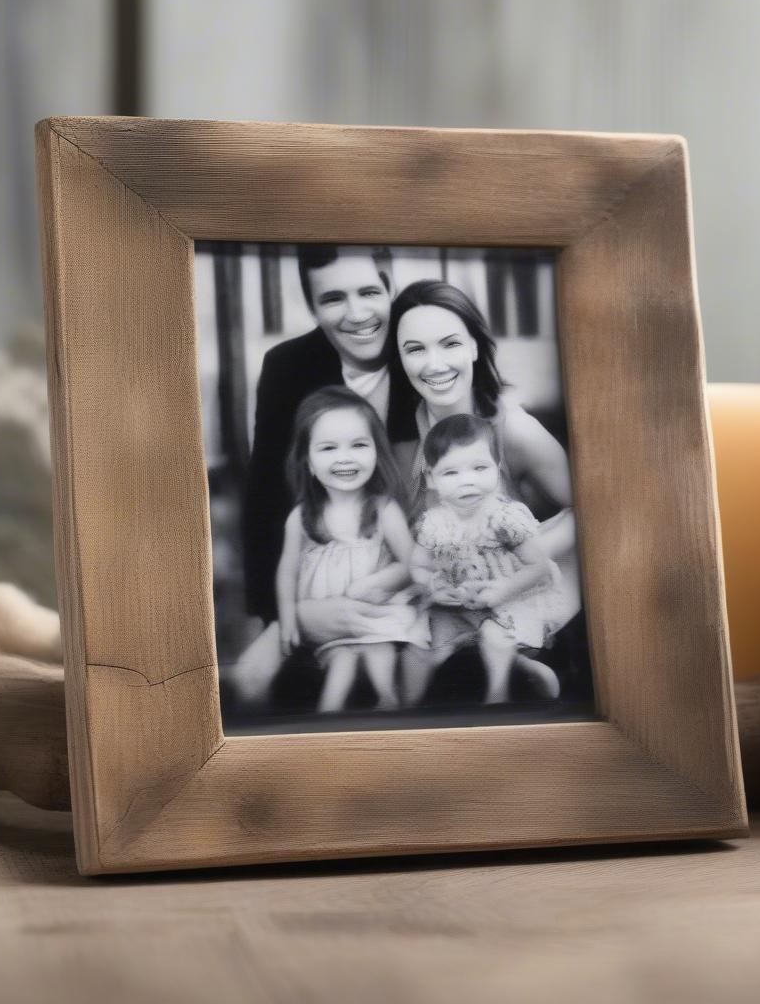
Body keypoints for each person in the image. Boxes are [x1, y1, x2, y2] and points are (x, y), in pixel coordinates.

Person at [233, 246, 419, 704]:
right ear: (313, 307)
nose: (356, 314)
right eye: (333, 299)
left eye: (369, 292)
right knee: (255, 682)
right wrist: (279, 612)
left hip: (406, 565)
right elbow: (264, 493)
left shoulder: (422, 350)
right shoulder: (288, 366)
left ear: (390, 288)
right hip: (324, 568)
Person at [385, 278, 584, 702]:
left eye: (450, 344)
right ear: (399, 360)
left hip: (520, 578)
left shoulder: (513, 429)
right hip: (453, 586)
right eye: (415, 349)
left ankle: (515, 669)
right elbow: (414, 543)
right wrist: (426, 583)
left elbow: (592, 513)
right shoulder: (403, 444)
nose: (435, 364)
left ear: (475, 346)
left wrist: (517, 566)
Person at [269, 387, 424, 711]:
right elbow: (287, 572)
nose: (344, 457)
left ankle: (388, 700)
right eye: (328, 448)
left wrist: (380, 582)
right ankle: (329, 716)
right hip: (330, 625)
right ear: (308, 461)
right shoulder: (301, 517)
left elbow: (413, 563)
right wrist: (287, 620)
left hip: (375, 615)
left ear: (376, 454)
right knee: (340, 661)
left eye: (358, 445)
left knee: (378, 650)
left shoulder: (383, 509)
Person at [410, 414, 564, 704]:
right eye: (451, 473)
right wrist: (432, 586)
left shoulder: (505, 517)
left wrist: (502, 589)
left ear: (497, 467)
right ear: (431, 478)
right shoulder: (434, 522)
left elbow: (539, 566)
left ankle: (497, 696)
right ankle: (412, 707)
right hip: (456, 605)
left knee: (495, 638)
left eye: (479, 468)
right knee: (428, 646)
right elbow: (417, 565)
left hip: (509, 600)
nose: (467, 482)